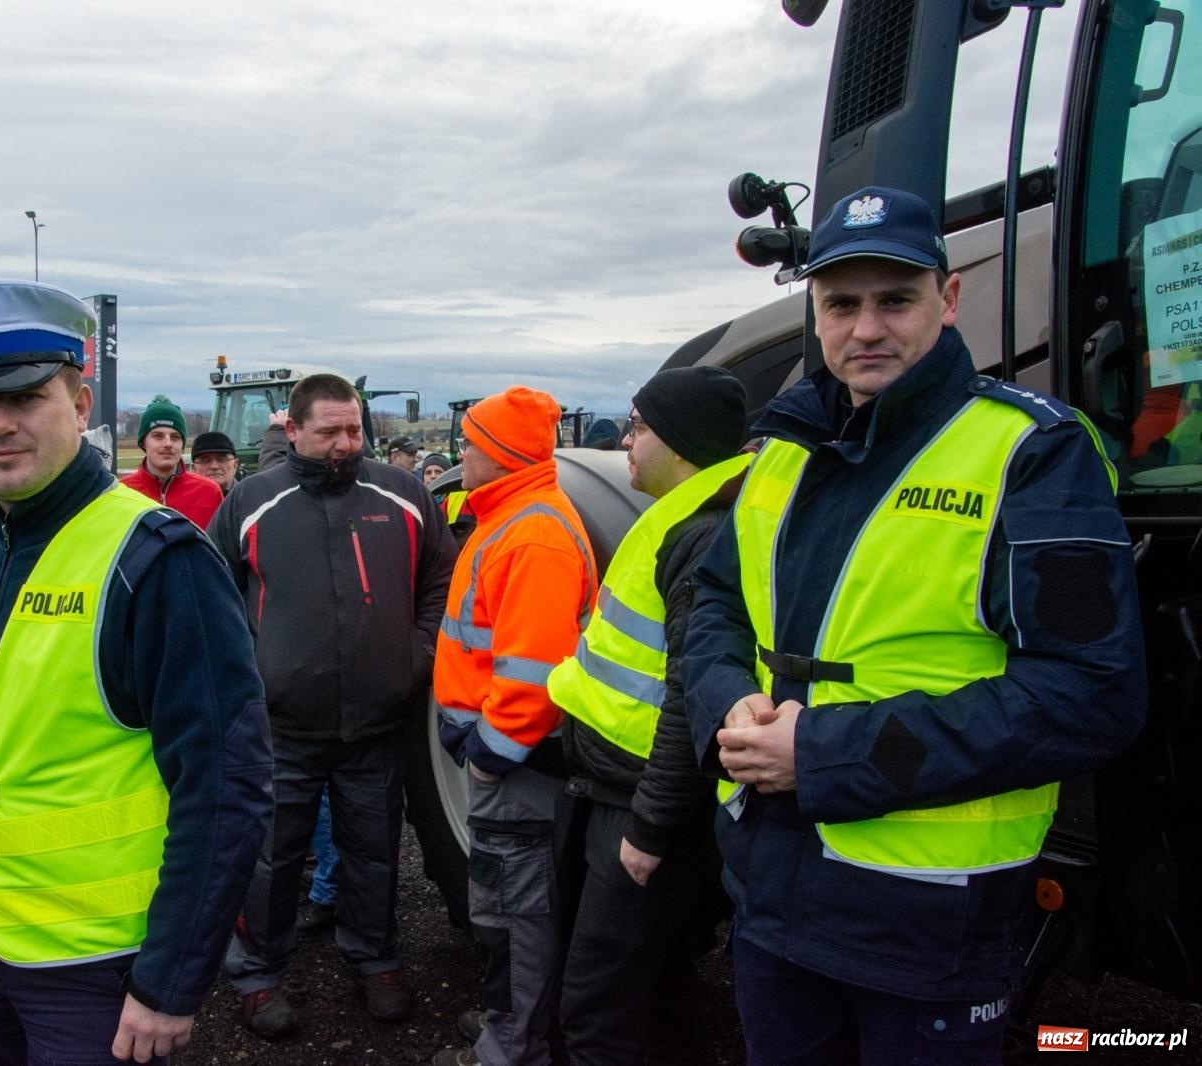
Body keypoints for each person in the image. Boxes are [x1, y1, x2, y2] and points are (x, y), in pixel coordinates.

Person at [682, 186, 1147, 1064]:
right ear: (816, 312)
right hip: (770, 892)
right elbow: (716, 608)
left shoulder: (1030, 453)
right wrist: (728, 705)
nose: (865, 328)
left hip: (929, 922)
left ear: (949, 297)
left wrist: (821, 755)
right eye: (841, 303)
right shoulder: (780, 455)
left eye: (894, 299)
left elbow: (1091, 695)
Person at [0, 279, 272, 1065]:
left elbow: (226, 785)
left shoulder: (155, 557)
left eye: (26, 398)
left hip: (101, 972)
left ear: (80, 405)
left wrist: (171, 980)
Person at [209, 373, 456, 1039]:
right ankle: (257, 974)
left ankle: (375, 958)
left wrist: (417, 653)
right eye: (330, 432)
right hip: (281, 727)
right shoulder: (252, 503)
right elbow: (213, 600)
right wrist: (248, 680)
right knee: (270, 855)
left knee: (373, 848)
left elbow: (441, 575)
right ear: (293, 432)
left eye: (354, 430)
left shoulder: (402, 495)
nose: (347, 443)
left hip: (378, 721)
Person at [548, 367, 750, 1065]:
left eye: (640, 427)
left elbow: (689, 695)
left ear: (684, 444)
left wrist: (652, 825)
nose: (628, 442)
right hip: (616, 792)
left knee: (601, 1011)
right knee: (655, 992)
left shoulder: (703, 535)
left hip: (641, 808)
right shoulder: (685, 516)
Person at [431, 387, 598, 1066]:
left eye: (470, 443)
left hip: (517, 769)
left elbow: (531, 680)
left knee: (516, 917)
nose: (460, 453)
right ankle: (513, 1024)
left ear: (498, 455)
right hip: (510, 762)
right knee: (507, 909)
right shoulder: (515, 518)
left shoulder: (532, 535)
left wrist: (491, 757)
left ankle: (513, 1048)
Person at [119, 394, 224, 528]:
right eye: (158, 436)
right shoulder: (123, 492)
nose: (168, 443)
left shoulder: (209, 492)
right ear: (143, 443)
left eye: (175, 437)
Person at [191, 430, 241, 494]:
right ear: (194, 469)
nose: (214, 466)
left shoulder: (252, 498)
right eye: (205, 461)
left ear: (235, 465)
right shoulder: (184, 501)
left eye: (221, 459)